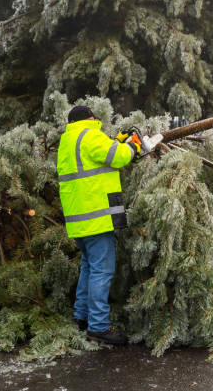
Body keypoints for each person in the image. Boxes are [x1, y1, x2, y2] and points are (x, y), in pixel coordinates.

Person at [56, 105, 140, 345]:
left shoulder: (68, 141)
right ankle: (99, 327)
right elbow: (120, 156)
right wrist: (132, 145)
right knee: (101, 271)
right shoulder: (90, 134)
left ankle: (81, 317)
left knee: (89, 268)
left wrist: (118, 140)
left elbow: (100, 155)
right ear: (90, 118)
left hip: (79, 220)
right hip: (97, 218)